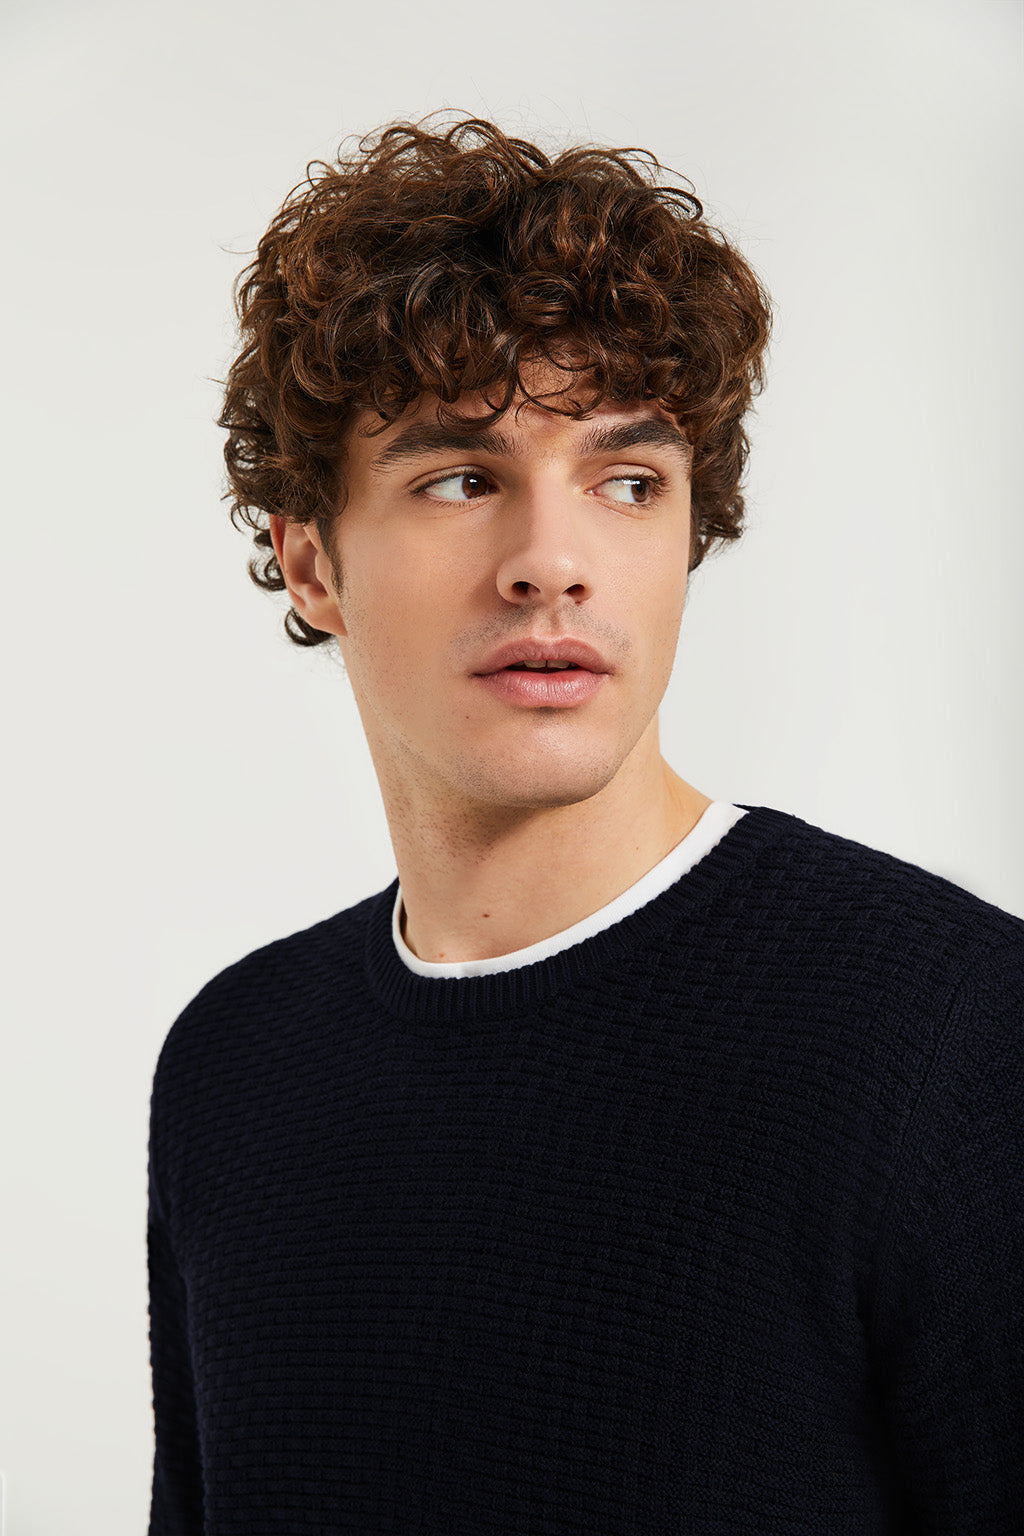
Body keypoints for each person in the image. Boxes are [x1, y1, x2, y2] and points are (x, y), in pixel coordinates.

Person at [147, 116, 1024, 1534]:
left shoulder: (954, 1033)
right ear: (311, 562)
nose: (551, 563)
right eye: (461, 478)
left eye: (628, 482)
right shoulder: (233, 1070)